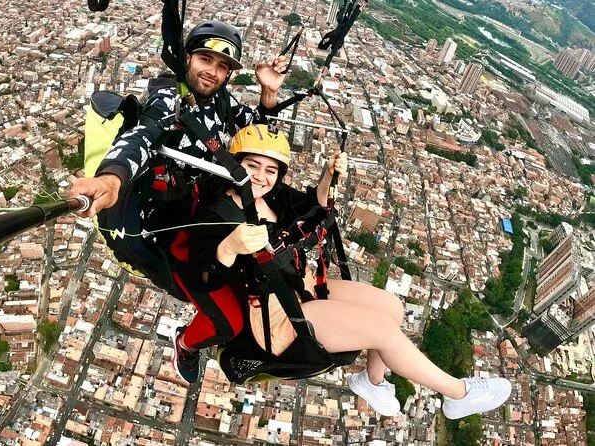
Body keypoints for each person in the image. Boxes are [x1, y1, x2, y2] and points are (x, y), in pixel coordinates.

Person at [175, 124, 512, 420]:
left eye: (271, 170)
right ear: (235, 164)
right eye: (252, 166)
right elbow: (204, 278)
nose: (261, 176)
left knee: (392, 307)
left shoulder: (274, 197)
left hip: (302, 286)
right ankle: (458, 395)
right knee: (381, 329)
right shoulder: (218, 213)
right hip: (274, 316)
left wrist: (328, 176)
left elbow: (314, 207)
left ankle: (372, 383)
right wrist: (229, 247)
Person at [69, 20, 287, 285]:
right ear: (187, 58)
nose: (212, 72)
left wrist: (269, 93)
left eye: (222, 66)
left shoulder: (219, 99)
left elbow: (257, 132)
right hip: (164, 216)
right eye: (205, 59)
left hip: (198, 197)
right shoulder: (169, 99)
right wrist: (111, 179)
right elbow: (143, 135)